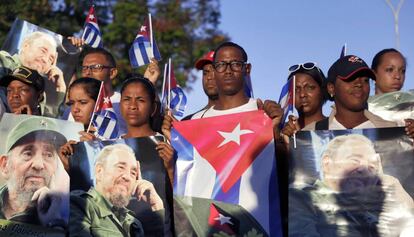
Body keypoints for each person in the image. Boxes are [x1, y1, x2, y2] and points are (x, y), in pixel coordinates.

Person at [289, 134, 414, 236]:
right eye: (354, 160)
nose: (364, 169)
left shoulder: (374, 214)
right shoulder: (302, 199)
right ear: (327, 163)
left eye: (372, 167)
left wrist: (393, 184)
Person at [69, 143, 164, 236]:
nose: (127, 177)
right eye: (121, 167)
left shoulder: (134, 223)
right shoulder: (78, 204)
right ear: (99, 171)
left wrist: (157, 206)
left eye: (133, 173)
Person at [0, 116, 69, 229]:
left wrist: (56, 224)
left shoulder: (70, 217)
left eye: (48, 155)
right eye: (28, 153)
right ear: (5, 165)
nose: (39, 165)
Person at [304, 55, 397, 130]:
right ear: (331, 88)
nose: (359, 84)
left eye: (365, 80)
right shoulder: (310, 134)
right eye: (350, 79)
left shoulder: (392, 131)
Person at [120, 75, 175, 184]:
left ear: (153, 108)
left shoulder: (169, 143)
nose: (132, 106)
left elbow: (185, 194)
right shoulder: (110, 144)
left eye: (140, 100)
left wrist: (171, 168)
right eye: (127, 99)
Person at [0, 31, 67, 117]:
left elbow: (47, 125)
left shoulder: (39, 93)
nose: (45, 60)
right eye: (43, 51)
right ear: (26, 46)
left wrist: (60, 88)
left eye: (51, 59)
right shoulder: (3, 61)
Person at [368, 48, 414, 126]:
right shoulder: (361, 107)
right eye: (390, 70)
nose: (398, 76)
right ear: (373, 74)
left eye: (402, 71)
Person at [281, 62, 328, 136]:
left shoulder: (338, 126)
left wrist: (300, 139)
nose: (302, 94)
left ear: (323, 90)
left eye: (309, 88)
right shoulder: (284, 132)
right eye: (296, 90)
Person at [182, 50, 218, 120]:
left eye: (214, 72)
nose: (209, 77)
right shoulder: (189, 120)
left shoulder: (243, 113)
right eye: (205, 73)